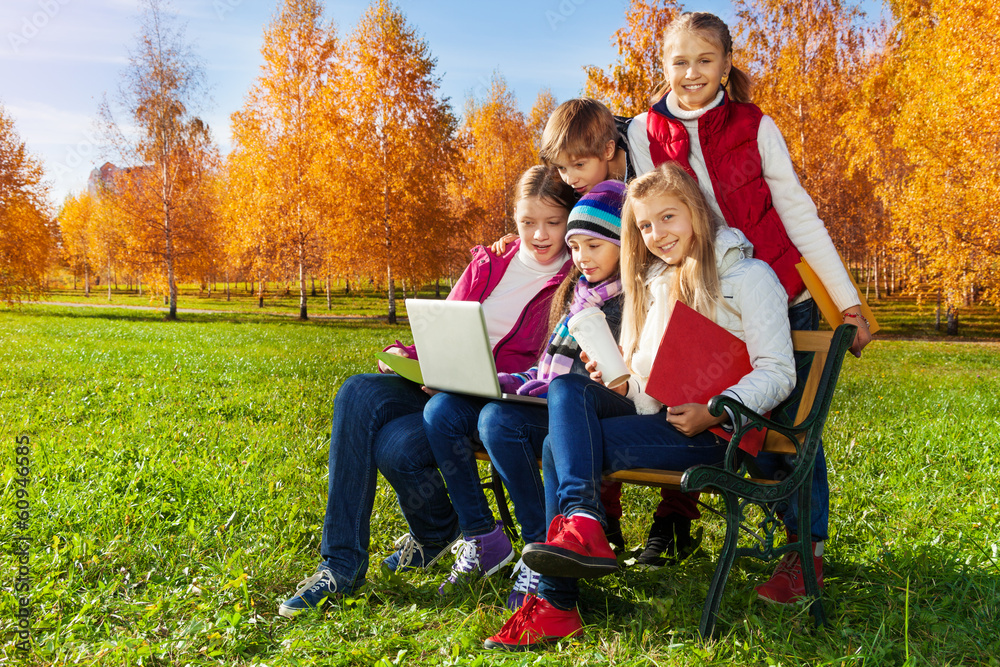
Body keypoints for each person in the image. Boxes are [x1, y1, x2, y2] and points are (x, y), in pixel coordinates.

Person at [483, 163, 796, 650]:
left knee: (553, 449)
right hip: (661, 419)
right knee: (568, 390)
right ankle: (584, 523)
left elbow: (778, 372)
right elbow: (646, 388)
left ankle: (557, 603)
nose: (657, 234)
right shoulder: (656, 283)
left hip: (720, 434)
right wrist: (613, 376)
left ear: (695, 212)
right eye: (645, 225)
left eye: (667, 217)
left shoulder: (751, 277)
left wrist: (717, 407)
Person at [623, 11, 873, 586]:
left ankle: (799, 550)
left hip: (781, 290)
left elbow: (797, 213)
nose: (691, 73)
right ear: (663, 66)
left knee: (789, 424)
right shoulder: (643, 132)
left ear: (725, 65)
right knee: (692, 406)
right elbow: (649, 215)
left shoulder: (755, 125)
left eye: (704, 61)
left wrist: (848, 301)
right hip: (705, 296)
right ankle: (678, 521)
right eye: (679, 61)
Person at [277, 166, 575, 617]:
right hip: (443, 383)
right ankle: (340, 566)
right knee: (357, 392)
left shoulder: (575, 279)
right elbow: (442, 325)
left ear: (569, 219)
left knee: (396, 448)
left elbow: (551, 361)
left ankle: (439, 531)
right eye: (527, 221)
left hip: (497, 402)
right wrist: (404, 353)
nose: (539, 234)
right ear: (513, 217)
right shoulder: (489, 263)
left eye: (553, 222)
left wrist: (489, 380)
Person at [424, 181, 626, 610]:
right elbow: (549, 363)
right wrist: (510, 381)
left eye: (555, 225)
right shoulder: (579, 291)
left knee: (497, 421)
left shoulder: (624, 292)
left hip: (593, 411)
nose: (582, 256)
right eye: (577, 246)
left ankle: (540, 550)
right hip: (552, 396)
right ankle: (483, 537)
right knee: (441, 410)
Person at [492, 98, 637, 549]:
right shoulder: (580, 277)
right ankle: (557, 538)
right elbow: (563, 224)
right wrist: (526, 237)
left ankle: (584, 527)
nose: (570, 178)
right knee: (524, 412)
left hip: (629, 394)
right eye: (562, 166)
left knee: (570, 399)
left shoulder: (639, 187)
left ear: (610, 150)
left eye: (578, 165)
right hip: (579, 388)